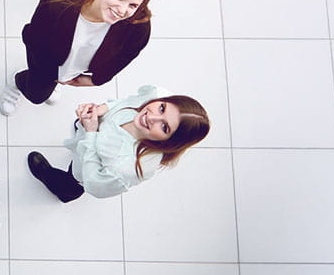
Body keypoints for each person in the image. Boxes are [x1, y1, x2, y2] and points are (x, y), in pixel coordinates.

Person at [0, 0, 154, 115]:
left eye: (132, 5)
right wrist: (49, 76)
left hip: (77, 67)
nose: (122, 10)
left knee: (53, 81)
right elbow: (36, 41)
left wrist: (96, 80)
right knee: (37, 95)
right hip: (46, 62)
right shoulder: (58, 1)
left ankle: (56, 79)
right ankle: (19, 83)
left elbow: (124, 57)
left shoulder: (137, 26)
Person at [26, 84, 210, 202]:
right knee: (81, 139)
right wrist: (100, 110)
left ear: (169, 142)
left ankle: (65, 191)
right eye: (161, 108)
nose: (151, 117)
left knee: (74, 179)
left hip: (85, 167)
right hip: (93, 131)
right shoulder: (156, 95)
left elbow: (94, 181)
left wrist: (91, 132)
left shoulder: (127, 168)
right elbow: (128, 101)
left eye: (164, 127)